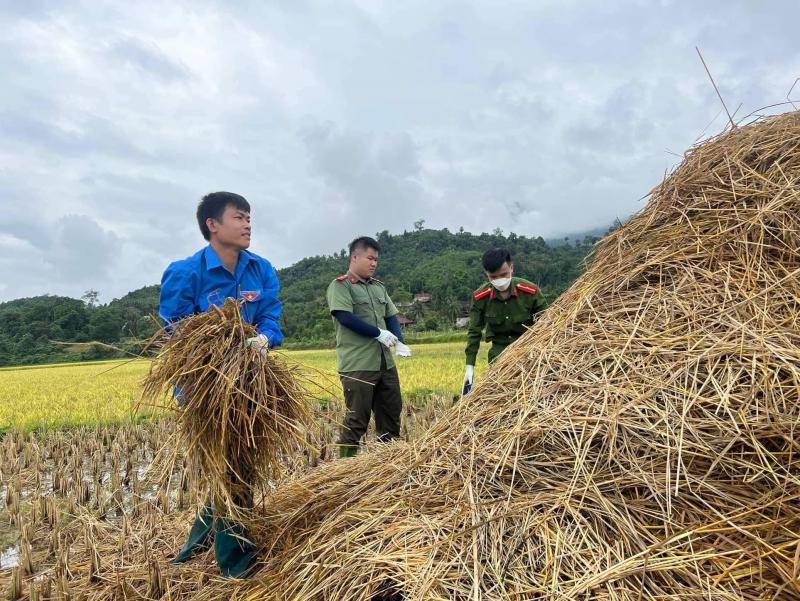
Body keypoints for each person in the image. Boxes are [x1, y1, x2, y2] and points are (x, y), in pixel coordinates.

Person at [159, 191, 283, 578]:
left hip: (252, 382)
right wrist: (214, 352)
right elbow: (174, 332)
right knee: (232, 466)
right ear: (213, 225)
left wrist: (264, 338)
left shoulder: (260, 269)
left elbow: (271, 317)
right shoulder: (185, 272)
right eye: (239, 217)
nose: (248, 224)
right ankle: (236, 563)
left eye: (250, 218)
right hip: (204, 389)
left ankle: (197, 541)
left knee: (236, 463)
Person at [326, 236, 411, 458]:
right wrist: (377, 333)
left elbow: (391, 315)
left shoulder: (378, 288)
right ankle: (344, 468)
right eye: (370, 258)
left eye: (376, 260)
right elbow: (345, 317)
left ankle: (387, 464)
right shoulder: (341, 286)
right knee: (356, 420)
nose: (374, 263)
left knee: (391, 416)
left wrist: (400, 341)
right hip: (358, 365)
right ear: (355, 257)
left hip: (385, 364)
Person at [463, 248, 547, 395]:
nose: (499, 280)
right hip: (499, 356)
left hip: (529, 353)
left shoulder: (530, 292)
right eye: (493, 277)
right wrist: (470, 367)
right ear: (487, 275)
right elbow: (474, 332)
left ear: (512, 268)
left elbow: (548, 325)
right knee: (500, 398)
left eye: (503, 275)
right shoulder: (480, 297)